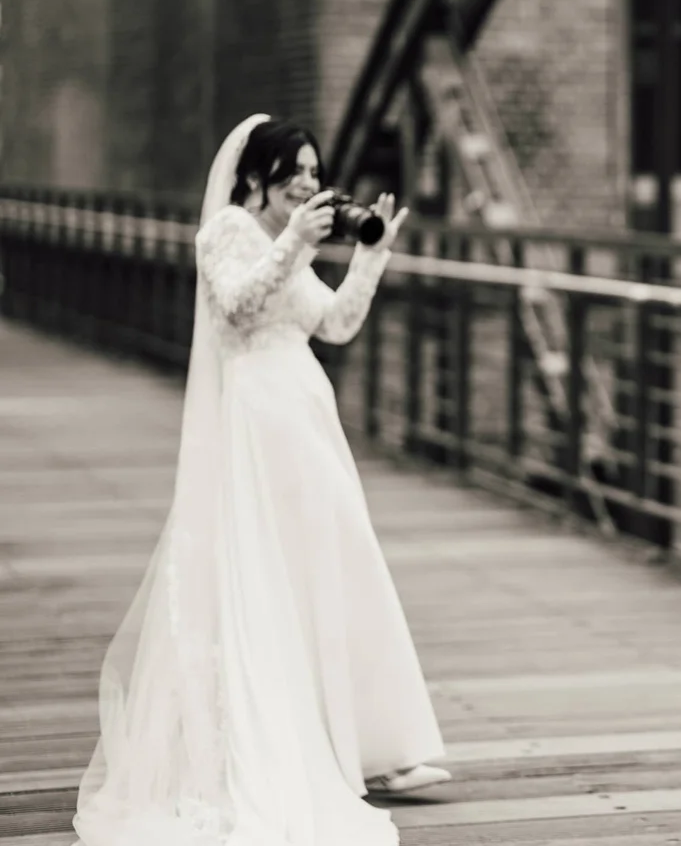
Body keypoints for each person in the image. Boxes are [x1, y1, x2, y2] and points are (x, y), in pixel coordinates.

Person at [74, 115, 450, 846]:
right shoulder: (227, 231)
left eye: (314, 171)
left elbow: (333, 325)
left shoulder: (292, 241)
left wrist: (370, 257)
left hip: (307, 419)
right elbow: (237, 304)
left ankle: (376, 745)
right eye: (297, 171)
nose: (310, 183)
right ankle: (298, 741)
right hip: (256, 423)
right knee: (270, 575)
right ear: (257, 177)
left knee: (337, 564)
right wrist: (296, 240)